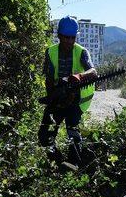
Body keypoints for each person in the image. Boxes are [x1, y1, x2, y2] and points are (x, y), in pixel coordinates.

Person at [38, 16, 97, 167]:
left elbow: (93, 72)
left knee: (73, 133)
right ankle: (56, 161)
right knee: (45, 135)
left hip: (75, 99)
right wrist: (52, 98)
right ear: (59, 36)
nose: (69, 41)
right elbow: (49, 78)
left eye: (72, 37)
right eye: (66, 37)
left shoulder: (81, 52)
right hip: (58, 96)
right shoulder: (51, 52)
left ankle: (73, 165)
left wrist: (79, 76)